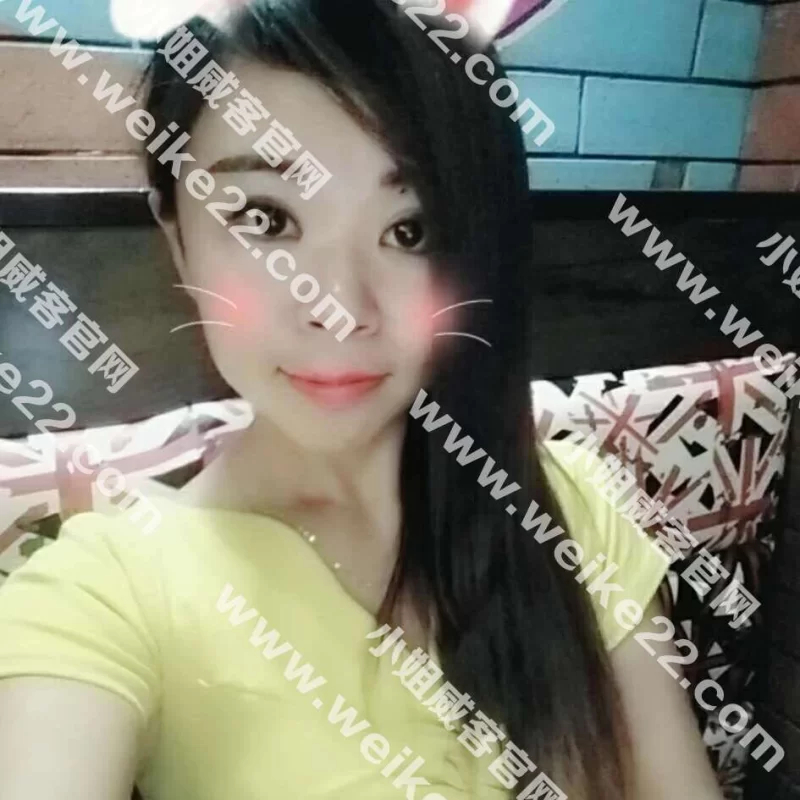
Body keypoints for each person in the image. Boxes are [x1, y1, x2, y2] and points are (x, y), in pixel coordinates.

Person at [0, 2, 724, 798]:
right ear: (178, 236)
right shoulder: (108, 588)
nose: (339, 306)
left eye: (411, 229)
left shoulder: (570, 505)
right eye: (266, 219)